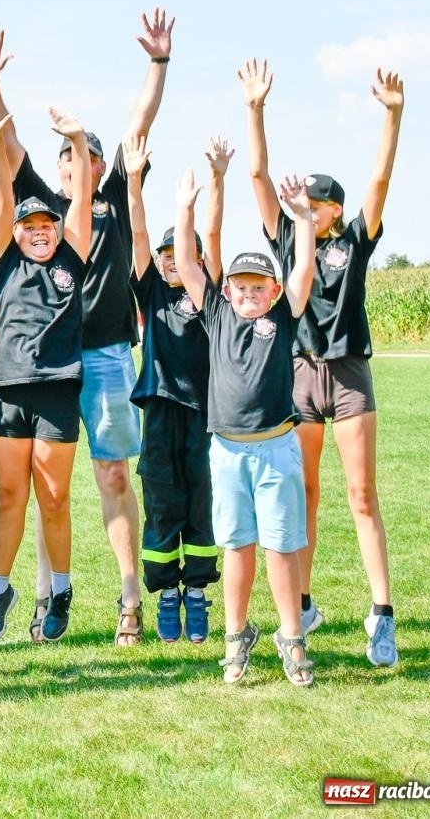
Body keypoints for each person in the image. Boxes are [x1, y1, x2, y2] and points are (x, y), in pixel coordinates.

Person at [0, 13, 174, 644]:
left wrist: (157, 63)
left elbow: (139, 123)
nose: (79, 163)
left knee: (114, 476)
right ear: (61, 167)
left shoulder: (111, 198)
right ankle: (45, 596)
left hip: (109, 355)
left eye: (88, 154)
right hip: (50, 367)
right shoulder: (43, 211)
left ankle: (129, 597)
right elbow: (6, 142)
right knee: (48, 485)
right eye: (70, 155)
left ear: (97, 163)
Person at [241, 59, 404, 667]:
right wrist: (255, 108)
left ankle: (381, 615)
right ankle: (303, 606)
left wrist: (392, 116)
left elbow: (379, 180)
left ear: (334, 208)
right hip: (300, 374)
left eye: (315, 201)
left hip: (349, 372)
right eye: (301, 200)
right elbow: (257, 173)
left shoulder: (355, 238)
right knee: (304, 493)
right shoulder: (288, 238)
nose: (305, 206)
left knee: (361, 494)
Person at [172, 168, 317, 686]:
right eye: (241, 285)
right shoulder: (216, 313)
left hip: (277, 449)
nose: (249, 293)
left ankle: (292, 637)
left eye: (259, 286)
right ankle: (236, 636)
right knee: (236, 547)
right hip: (229, 452)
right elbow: (187, 262)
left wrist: (303, 217)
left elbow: (304, 267)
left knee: (281, 546)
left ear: (273, 291)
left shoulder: (284, 316)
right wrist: (185, 207)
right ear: (228, 290)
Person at [0, 96, 92, 644]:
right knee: (9, 497)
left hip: (58, 391)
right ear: (16, 232)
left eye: (48, 224)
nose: (40, 231)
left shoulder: (72, 258)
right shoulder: (3, 262)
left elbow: (82, 199)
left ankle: (60, 591)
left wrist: (77, 140)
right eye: (30, 225)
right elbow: (2, 198)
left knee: (53, 498)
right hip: (8, 391)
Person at [126, 135, 229, 644]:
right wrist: (134, 181)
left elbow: (212, 232)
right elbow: (138, 230)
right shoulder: (150, 290)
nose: (171, 261)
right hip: (160, 413)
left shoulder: (208, 294)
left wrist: (217, 181)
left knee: (201, 502)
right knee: (163, 502)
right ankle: (167, 592)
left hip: (205, 415)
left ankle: (198, 591)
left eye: (179, 254)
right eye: (166, 255)